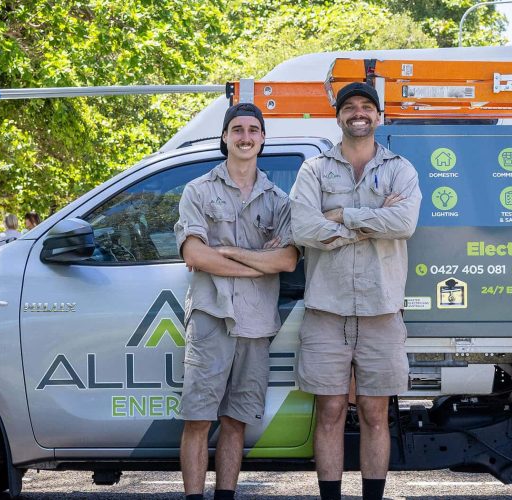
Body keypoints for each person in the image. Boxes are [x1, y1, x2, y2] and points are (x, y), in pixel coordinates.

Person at [290, 82, 421, 500]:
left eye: (367, 106)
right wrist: (369, 224)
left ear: (378, 117)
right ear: (339, 116)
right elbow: (304, 228)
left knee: (374, 412)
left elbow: (404, 224)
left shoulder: (401, 168)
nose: (358, 113)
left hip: (382, 311)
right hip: (326, 311)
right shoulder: (314, 170)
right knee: (328, 412)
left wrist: (343, 215)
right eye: (350, 107)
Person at [173, 103, 299, 500]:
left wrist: (227, 253)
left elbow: (288, 259)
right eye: (237, 129)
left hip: (257, 322)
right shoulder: (198, 190)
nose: (245, 137)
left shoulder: (278, 200)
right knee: (197, 418)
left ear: (262, 139)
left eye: (253, 130)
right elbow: (195, 255)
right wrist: (260, 263)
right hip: (212, 316)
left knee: (236, 420)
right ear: (225, 137)